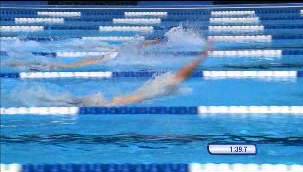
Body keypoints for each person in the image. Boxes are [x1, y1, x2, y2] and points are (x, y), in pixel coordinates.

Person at [48, 46, 209, 107]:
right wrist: (202, 58)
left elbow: (183, 73)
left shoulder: (166, 83)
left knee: (75, 102)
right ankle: (53, 100)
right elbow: (184, 74)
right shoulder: (170, 84)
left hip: (120, 100)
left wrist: (201, 58)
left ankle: (55, 100)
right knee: (77, 103)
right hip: (117, 103)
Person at [6, 38, 167, 71]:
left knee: (64, 66)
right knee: (65, 67)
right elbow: (141, 45)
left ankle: (22, 63)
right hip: (105, 59)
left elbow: (139, 45)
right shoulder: (132, 52)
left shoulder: (130, 50)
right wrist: (156, 43)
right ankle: (22, 64)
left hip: (105, 58)